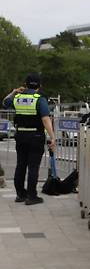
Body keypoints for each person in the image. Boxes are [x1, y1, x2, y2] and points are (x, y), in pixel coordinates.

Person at [2, 73, 56, 205]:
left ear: (25, 84)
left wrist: (14, 92)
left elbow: (4, 103)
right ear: (39, 85)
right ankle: (32, 196)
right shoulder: (39, 99)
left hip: (20, 135)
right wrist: (52, 137)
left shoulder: (17, 98)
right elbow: (45, 119)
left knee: (20, 165)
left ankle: (20, 194)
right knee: (33, 166)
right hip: (36, 136)